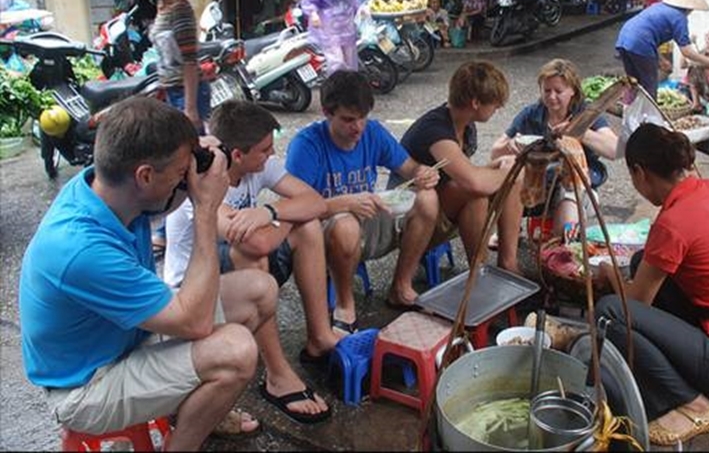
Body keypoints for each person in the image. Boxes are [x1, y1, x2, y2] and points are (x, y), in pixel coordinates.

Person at [19, 97, 285, 450]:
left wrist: (196, 154)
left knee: (258, 290)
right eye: (180, 173)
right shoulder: (81, 248)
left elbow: (166, 189)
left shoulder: (109, 187)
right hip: (86, 387)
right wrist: (206, 209)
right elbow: (195, 323)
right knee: (236, 351)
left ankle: (197, 409)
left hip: (124, 336)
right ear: (144, 175)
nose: (185, 180)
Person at [595, 123, 709, 447]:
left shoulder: (673, 223)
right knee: (641, 262)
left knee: (610, 313)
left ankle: (694, 404)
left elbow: (634, 303)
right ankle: (692, 368)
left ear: (639, 173)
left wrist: (609, 272)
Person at [163, 100, 337, 422]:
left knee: (309, 226)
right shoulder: (201, 183)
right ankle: (277, 376)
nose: (272, 154)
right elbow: (258, 243)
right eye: (265, 150)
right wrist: (285, 214)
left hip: (231, 275)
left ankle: (320, 337)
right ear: (238, 155)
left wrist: (270, 211)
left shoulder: (258, 165)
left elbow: (316, 203)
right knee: (251, 253)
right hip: (190, 294)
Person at [285, 70, 440, 332]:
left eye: (362, 118)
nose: (357, 127)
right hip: (322, 233)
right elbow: (292, 209)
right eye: (348, 119)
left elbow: (409, 167)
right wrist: (345, 203)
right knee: (346, 224)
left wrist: (422, 173)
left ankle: (401, 288)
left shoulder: (373, 133)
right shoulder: (306, 145)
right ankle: (345, 306)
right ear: (327, 112)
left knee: (427, 199)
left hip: (365, 218)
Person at [388, 61, 524, 273]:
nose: (499, 108)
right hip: (411, 214)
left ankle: (505, 263)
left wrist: (504, 166)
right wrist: (511, 172)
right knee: (483, 190)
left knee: (505, 174)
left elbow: (463, 174)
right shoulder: (436, 130)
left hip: (442, 198)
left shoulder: (465, 125)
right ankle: (480, 272)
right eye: (495, 104)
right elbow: (472, 182)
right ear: (476, 102)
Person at [489, 59, 618, 248]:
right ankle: (511, 230)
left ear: (573, 91)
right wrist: (511, 145)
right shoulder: (532, 114)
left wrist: (579, 132)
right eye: (547, 90)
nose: (552, 97)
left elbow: (613, 149)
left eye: (558, 91)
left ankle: (564, 236)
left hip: (576, 184)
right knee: (504, 176)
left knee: (562, 238)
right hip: (537, 181)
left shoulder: (585, 113)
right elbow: (495, 151)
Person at [130, 0, 210, 134]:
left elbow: (189, 61)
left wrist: (190, 109)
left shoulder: (180, 9)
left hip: (186, 94)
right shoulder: (162, 7)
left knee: (191, 147)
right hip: (172, 91)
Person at [615, 0, 709, 99]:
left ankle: (629, 107)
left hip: (624, 37)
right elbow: (686, 51)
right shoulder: (679, 17)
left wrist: (661, 60)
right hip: (640, 42)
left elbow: (649, 36)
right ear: (689, 8)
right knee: (649, 85)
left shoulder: (660, 7)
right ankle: (648, 110)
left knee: (633, 81)